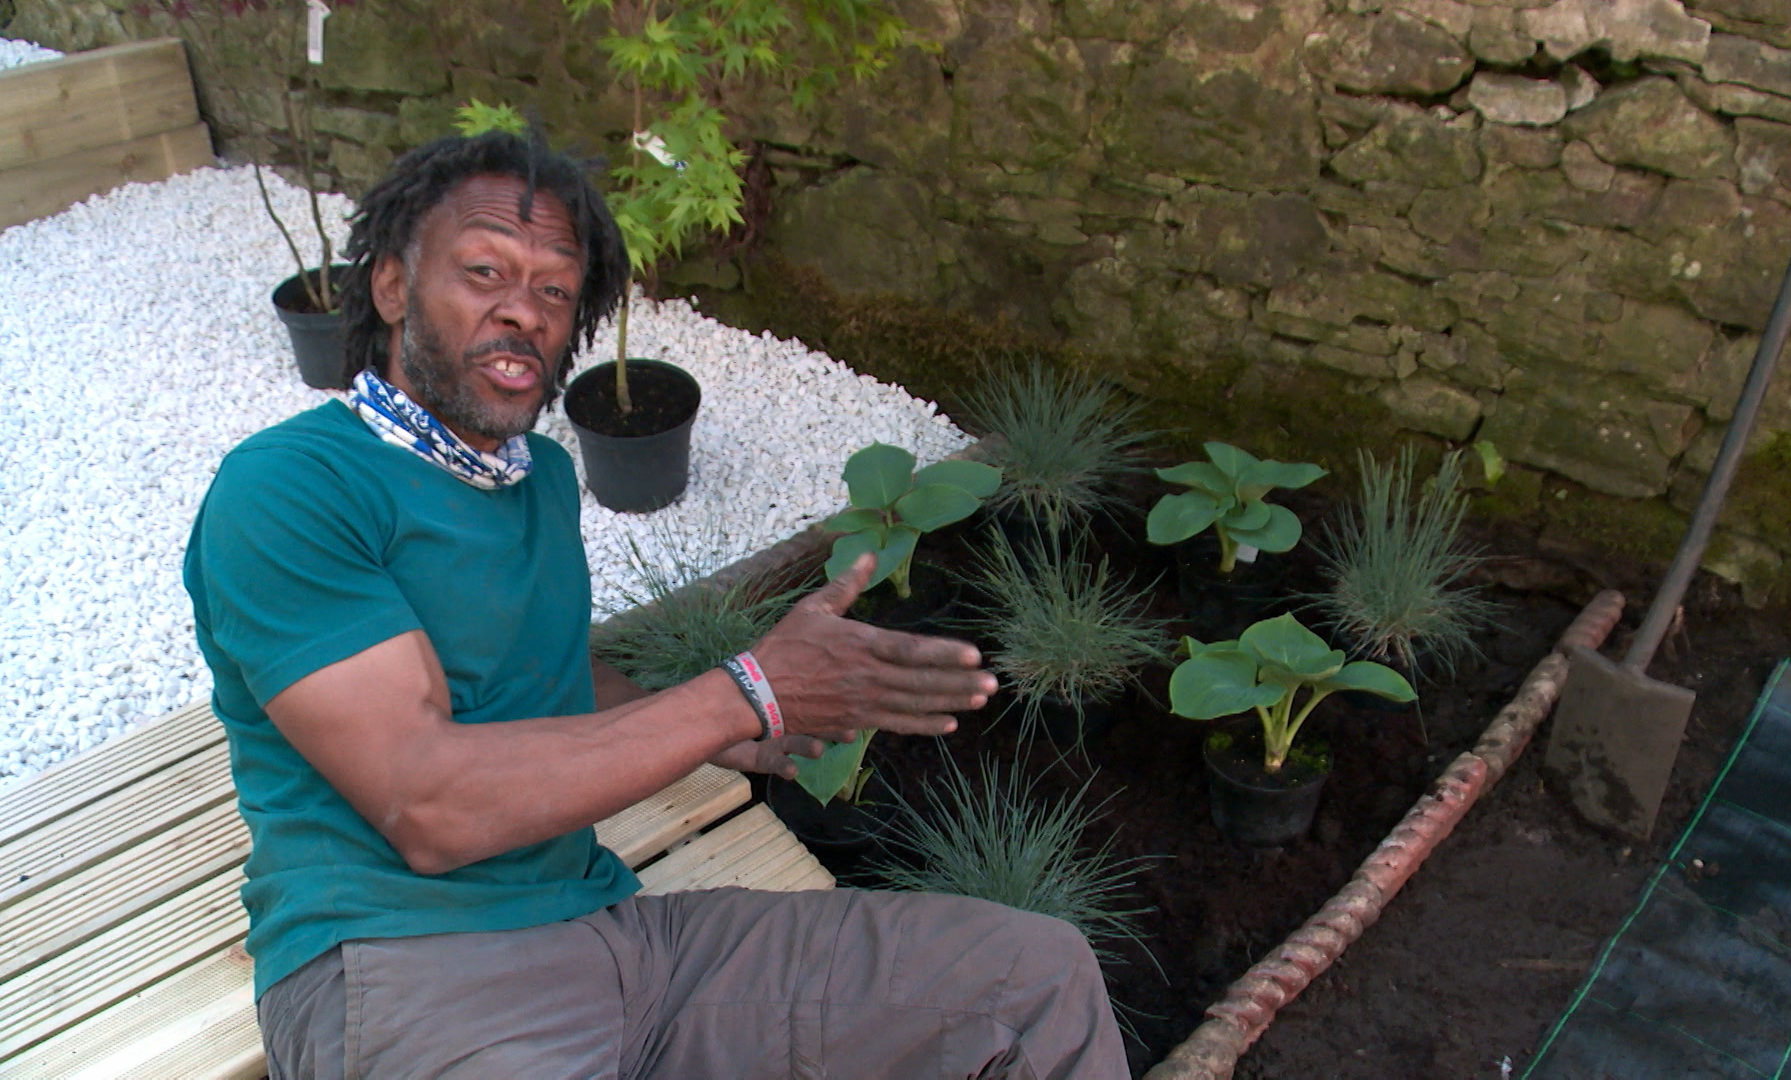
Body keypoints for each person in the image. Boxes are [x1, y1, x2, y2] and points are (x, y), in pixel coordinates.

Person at [182, 131, 1127, 1079]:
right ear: (391, 286)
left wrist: (722, 734)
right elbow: (427, 804)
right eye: (483, 271)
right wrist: (745, 692)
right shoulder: (291, 489)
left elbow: (545, 666)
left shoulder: (537, 478)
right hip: (406, 971)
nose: (524, 311)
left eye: (555, 289)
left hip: (618, 945)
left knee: (1034, 984)